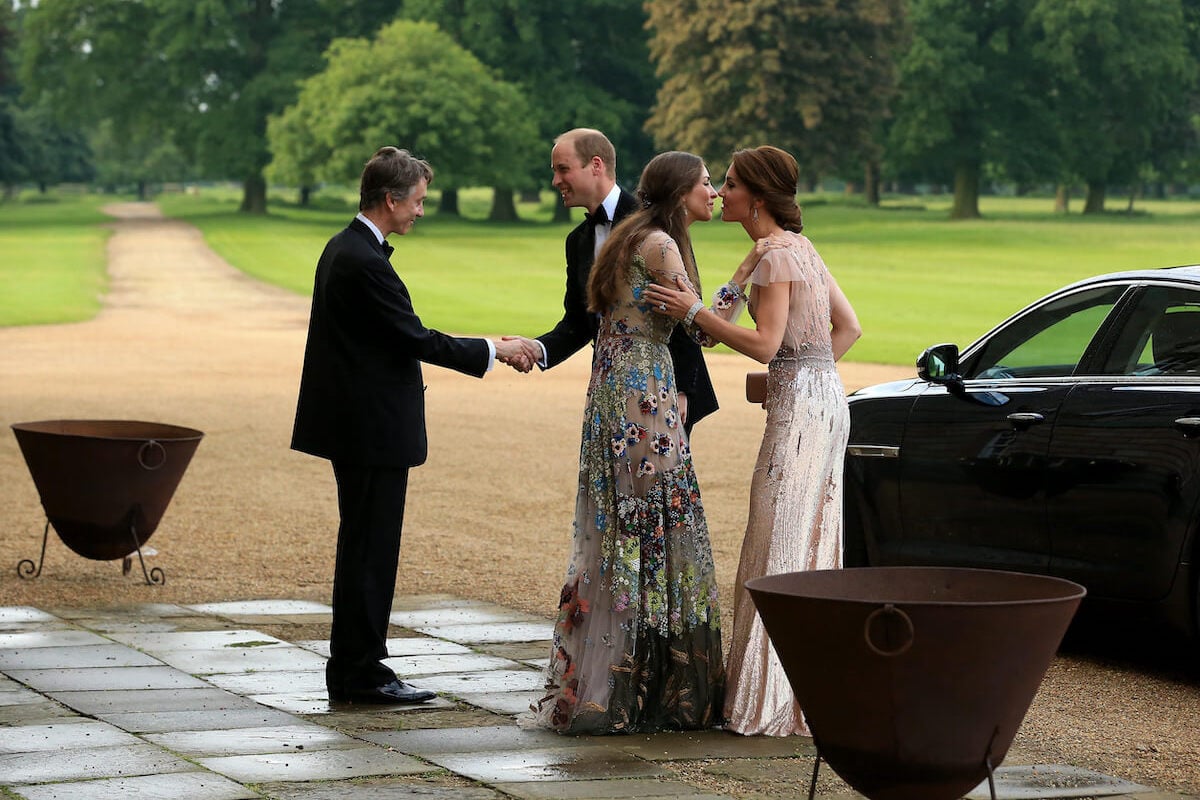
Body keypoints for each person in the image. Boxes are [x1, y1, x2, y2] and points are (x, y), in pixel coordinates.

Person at [291, 146, 530, 705]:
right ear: (392, 199)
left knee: (364, 549)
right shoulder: (361, 260)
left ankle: (354, 668)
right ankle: (362, 674)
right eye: (417, 201)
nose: (421, 211)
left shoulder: (348, 249)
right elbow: (414, 337)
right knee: (371, 552)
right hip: (370, 432)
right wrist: (494, 349)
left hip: (360, 428)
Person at [644, 145, 862, 737]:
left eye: (731, 184)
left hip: (800, 418)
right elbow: (849, 328)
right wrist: (797, 371)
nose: (720, 192)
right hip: (823, 402)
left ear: (757, 200)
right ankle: (801, 693)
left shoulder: (777, 256)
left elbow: (763, 342)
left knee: (779, 540)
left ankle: (771, 704)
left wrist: (692, 310)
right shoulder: (792, 249)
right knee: (805, 537)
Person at [527, 151, 725, 734]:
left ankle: (610, 681)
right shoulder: (660, 243)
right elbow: (705, 331)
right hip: (644, 397)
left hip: (614, 393)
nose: (712, 192)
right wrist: (741, 281)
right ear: (682, 191)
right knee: (656, 527)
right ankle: (654, 688)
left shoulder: (631, 234)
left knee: (621, 527)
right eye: (706, 183)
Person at [507, 128, 718, 433]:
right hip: (610, 384)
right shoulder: (577, 241)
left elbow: (683, 303)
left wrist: (683, 388)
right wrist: (537, 349)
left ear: (596, 165)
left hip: (664, 386)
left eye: (563, 170)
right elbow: (579, 322)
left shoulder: (653, 222)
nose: (555, 182)